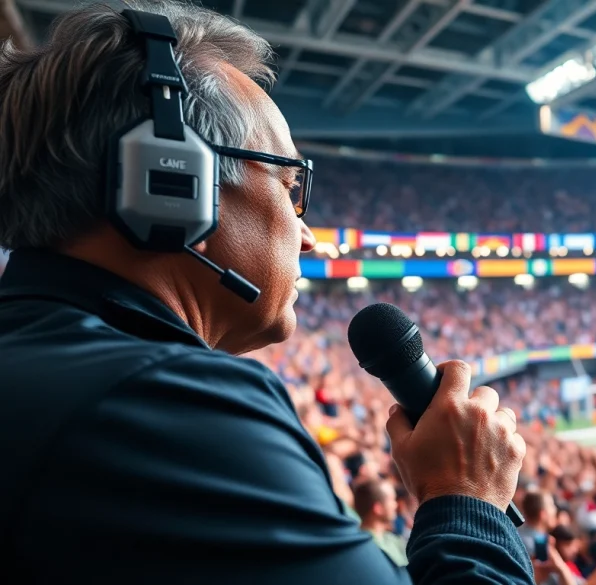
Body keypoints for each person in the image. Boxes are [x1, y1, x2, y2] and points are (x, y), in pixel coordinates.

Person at [0, 2, 531, 584]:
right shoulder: (164, 405)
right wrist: (468, 504)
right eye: (289, 183)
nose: (308, 238)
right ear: (170, 182)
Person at [353, 479, 408, 567]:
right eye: (392, 499)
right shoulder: (367, 547)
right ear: (378, 509)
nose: (396, 504)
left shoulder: (391, 539)